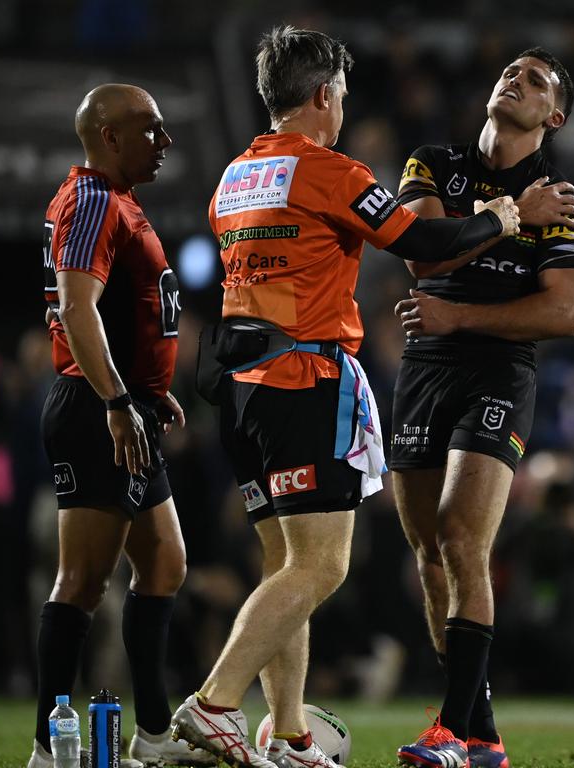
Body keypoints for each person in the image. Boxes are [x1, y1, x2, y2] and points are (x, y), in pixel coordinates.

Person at [170, 26, 526, 768]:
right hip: (303, 380)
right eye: (343, 95)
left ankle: (293, 734)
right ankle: (212, 705)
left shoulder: (233, 177)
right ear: (325, 95)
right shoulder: (328, 169)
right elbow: (419, 244)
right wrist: (500, 219)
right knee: (322, 568)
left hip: (239, 391)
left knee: (284, 569)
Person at [390, 48, 574, 768]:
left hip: (498, 372)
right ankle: (484, 738)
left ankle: (449, 732)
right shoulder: (432, 163)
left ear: (554, 116)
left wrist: (460, 317)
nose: (518, 81)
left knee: (460, 537)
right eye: (512, 71)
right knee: (428, 555)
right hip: (424, 369)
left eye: (536, 81)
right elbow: (419, 253)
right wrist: (507, 217)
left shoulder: (562, 203)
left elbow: (564, 312)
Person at [27, 83, 213, 768]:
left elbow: (121, 311)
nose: (165, 142)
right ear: (109, 135)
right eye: (151, 130)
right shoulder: (95, 201)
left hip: (122, 406)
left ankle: (154, 736)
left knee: (165, 561)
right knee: (81, 580)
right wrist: (114, 399)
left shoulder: (116, 201)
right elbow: (79, 309)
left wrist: (146, 389)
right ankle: (50, 746)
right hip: (93, 411)